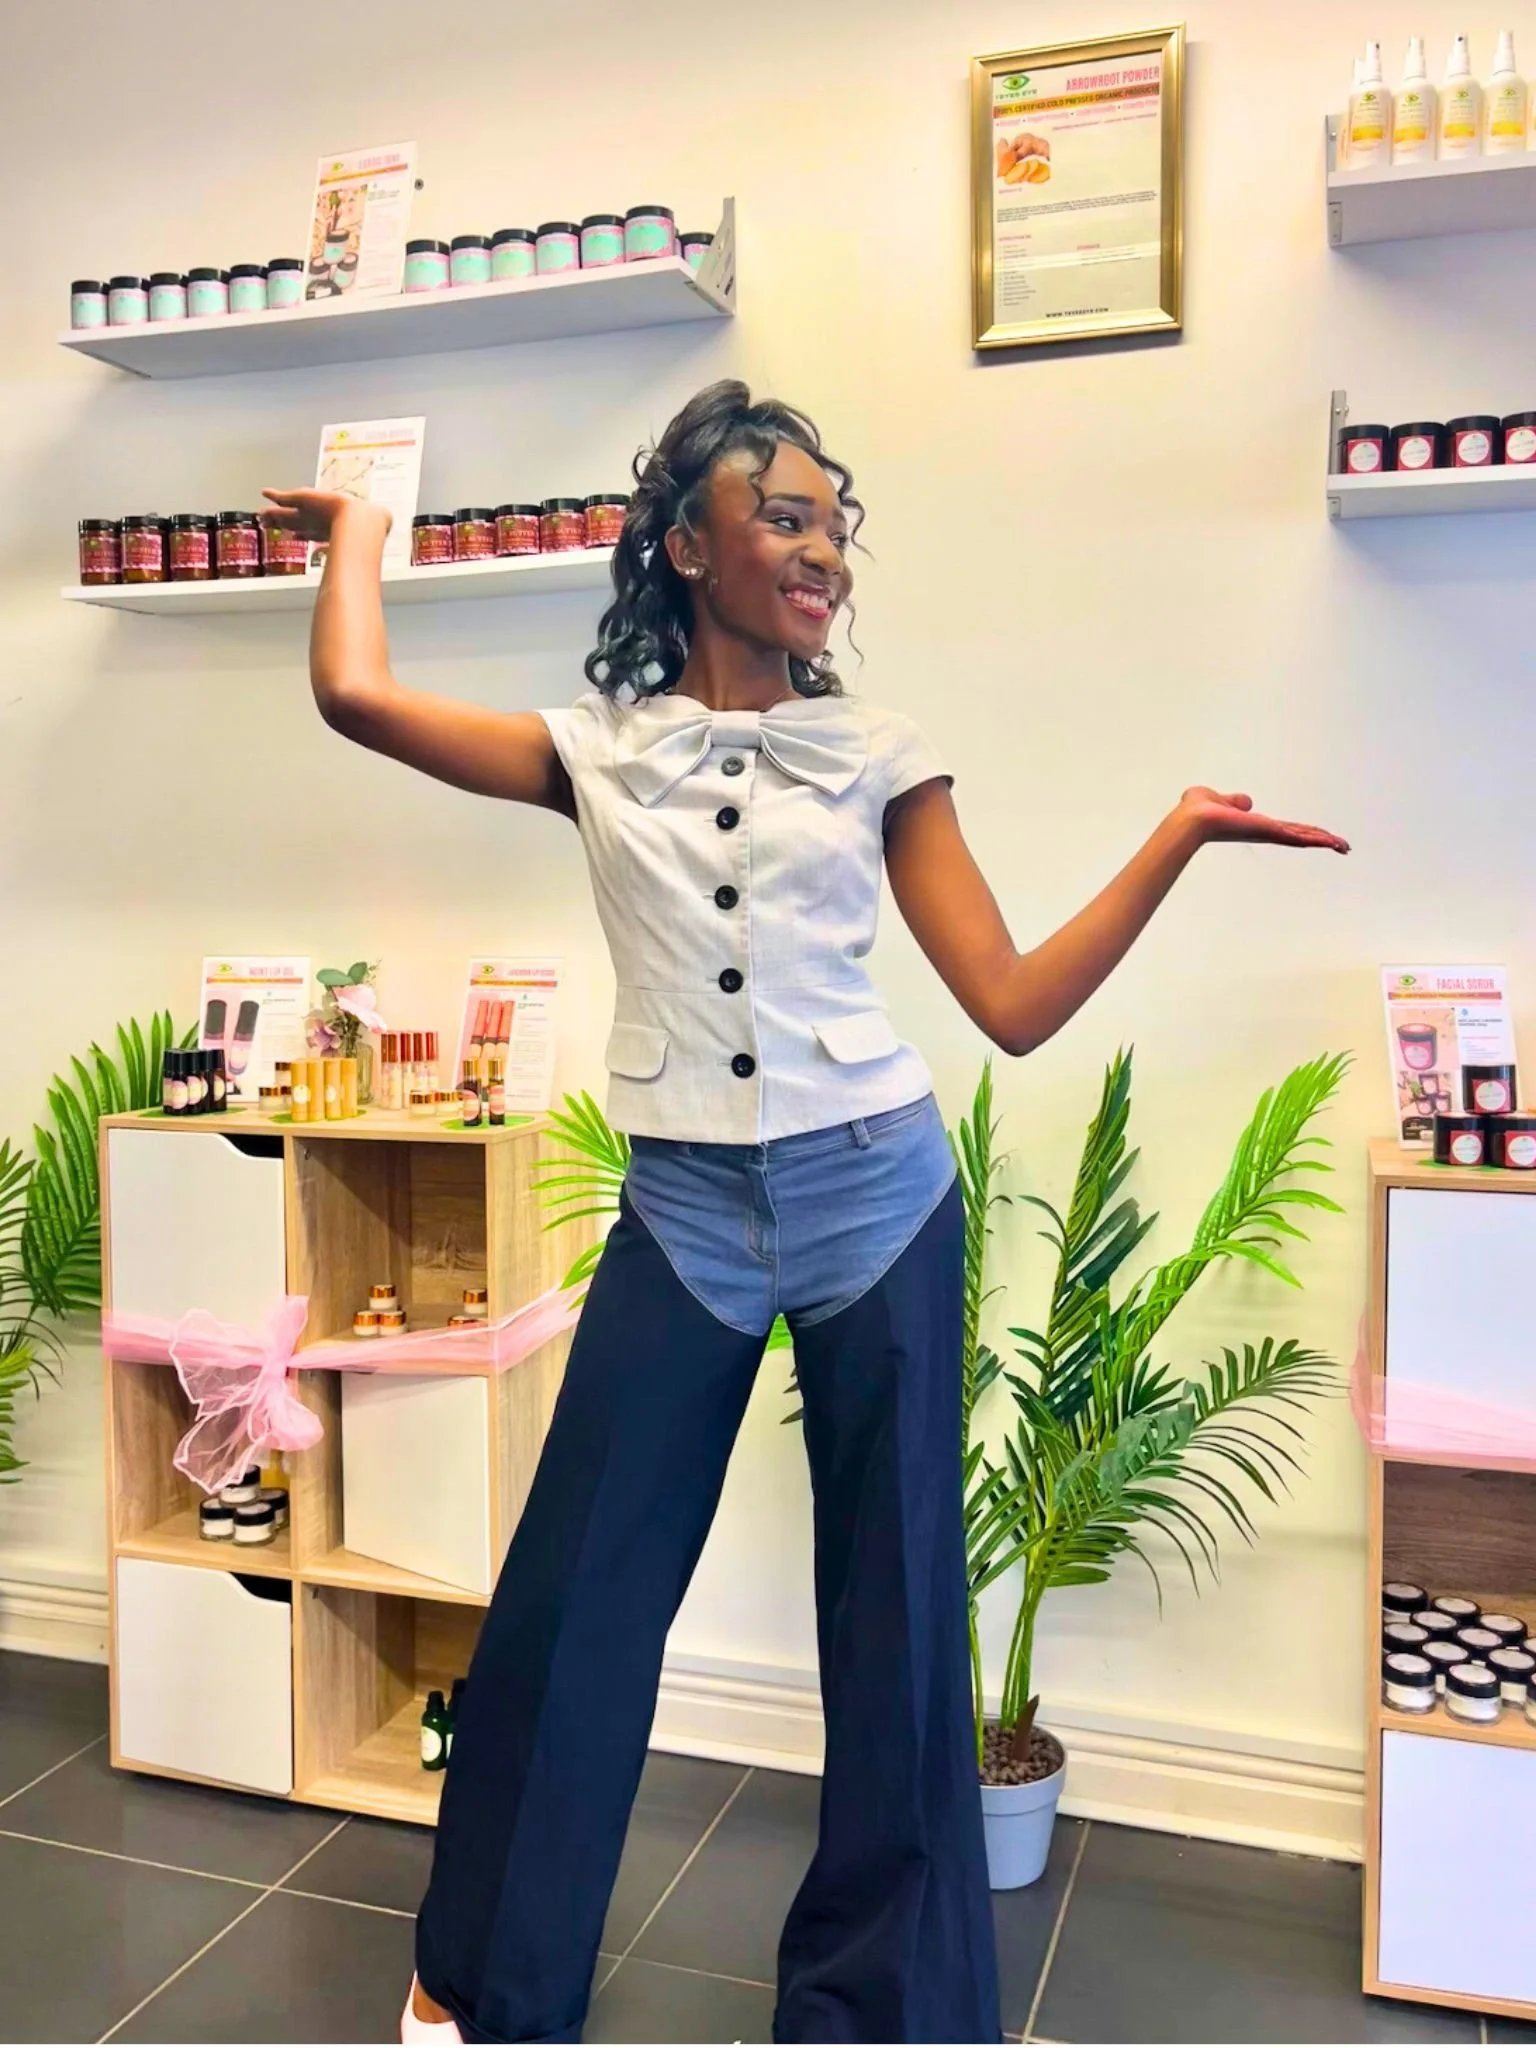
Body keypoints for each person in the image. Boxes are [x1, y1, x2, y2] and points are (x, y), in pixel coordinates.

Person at [265, 380, 1347, 2046]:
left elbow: (1008, 1000)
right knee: (571, 1607)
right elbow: (353, 693)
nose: (823, 551)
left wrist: (1177, 839)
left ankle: (877, 2016)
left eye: (838, 526)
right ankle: (483, 1987)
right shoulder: (595, 751)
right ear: (689, 544)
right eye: (788, 518)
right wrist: (354, 534)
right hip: (685, 1213)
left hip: (880, 1200)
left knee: (900, 1634)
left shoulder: (881, 755)